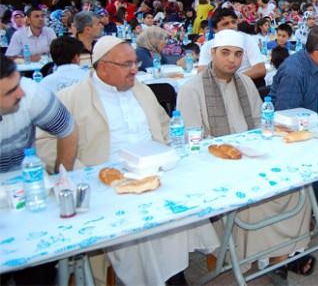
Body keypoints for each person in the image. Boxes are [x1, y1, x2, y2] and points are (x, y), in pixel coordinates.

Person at [36, 36, 218, 286]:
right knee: (147, 230)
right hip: (105, 185)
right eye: (126, 64)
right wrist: (80, 171)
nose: (135, 69)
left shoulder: (141, 89)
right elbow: (44, 143)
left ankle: (175, 276)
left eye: (135, 62)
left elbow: (164, 126)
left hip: (156, 174)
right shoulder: (70, 98)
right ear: (102, 67)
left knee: (187, 205)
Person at [177, 30, 314, 281]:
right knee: (256, 200)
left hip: (252, 156)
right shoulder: (191, 89)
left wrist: (273, 131)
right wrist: (232, 154)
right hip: (217, 164)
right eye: (226, 53)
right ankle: (273, 258)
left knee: (296, 188)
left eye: (238, 54)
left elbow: (259, 122)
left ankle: (279, 257)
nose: (232, 60)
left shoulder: (245, 83)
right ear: (212, 53)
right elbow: (192, 143)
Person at [0, 54, 77, 285]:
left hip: (27, 198)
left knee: (39, 270)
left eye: (18, 84)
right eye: (10, 91)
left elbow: (68, 130)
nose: (20, 93)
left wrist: (61, 179)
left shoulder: (31, 93)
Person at [270, 25, 318, 222]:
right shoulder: (294, 72)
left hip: (315, 128)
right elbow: (286, 119)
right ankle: (309, 212)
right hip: (292, 135)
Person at [198, 8, 266, 83]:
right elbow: (201, 74)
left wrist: (231, 81)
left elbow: (260, 70)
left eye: (233, 22)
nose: (231, 26)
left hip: (245, 83)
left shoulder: (247, 39)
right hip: (219, 87)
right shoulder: (208, 46)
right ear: (215, 29)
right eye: (225, 24)